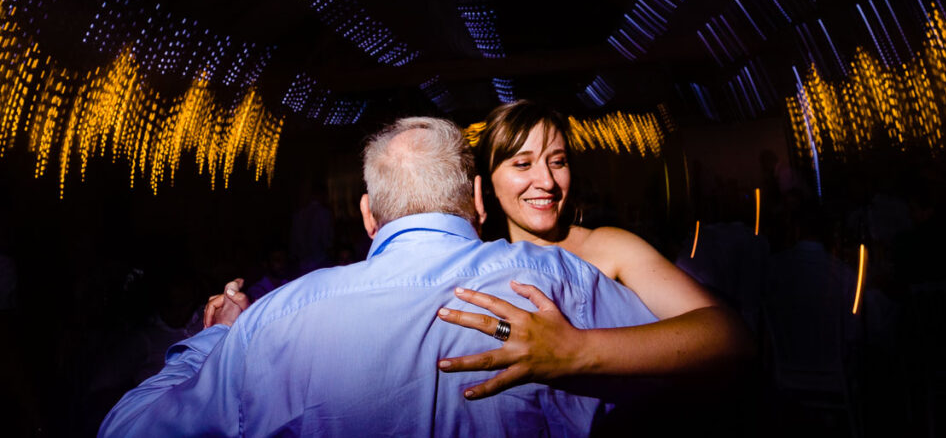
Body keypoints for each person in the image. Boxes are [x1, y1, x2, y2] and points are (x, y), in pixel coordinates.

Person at [98, 116, 658, 437]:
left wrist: (212, 340)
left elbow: (125, 430)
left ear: (367, 214)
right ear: (480, 201)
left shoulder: (276, 320)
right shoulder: (556, 281)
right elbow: (694, 365)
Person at [437, 100, 754, 400]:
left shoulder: (608, 246)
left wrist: (575, 350)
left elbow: (729, 336)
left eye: (558, 161)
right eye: (523, 164)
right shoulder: (474, 257)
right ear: (488, 183)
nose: (547, 180)